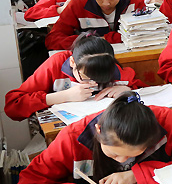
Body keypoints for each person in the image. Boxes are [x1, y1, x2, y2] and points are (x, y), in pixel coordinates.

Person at [6, 92, 172, 184]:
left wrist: (135, 175)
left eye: (136, 153)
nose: (124, 160)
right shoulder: (72, 138)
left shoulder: (166, 122)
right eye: (114, 154)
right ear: (98, 130)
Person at [5, 35, 141, 122]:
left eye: (100, 79)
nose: (93, 83)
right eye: (86, 78)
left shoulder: (110, 67)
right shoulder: (57, 64)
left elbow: (144, 90)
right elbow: (13, 106)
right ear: (72, 63)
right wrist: (63, 96)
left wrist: (128, 89)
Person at [46, 0, 143, 50]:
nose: (106, 3)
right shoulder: (77, 5)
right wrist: (90, 42)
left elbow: (144, 33)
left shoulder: (135, 2)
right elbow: (53, 39)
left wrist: (106, 39)